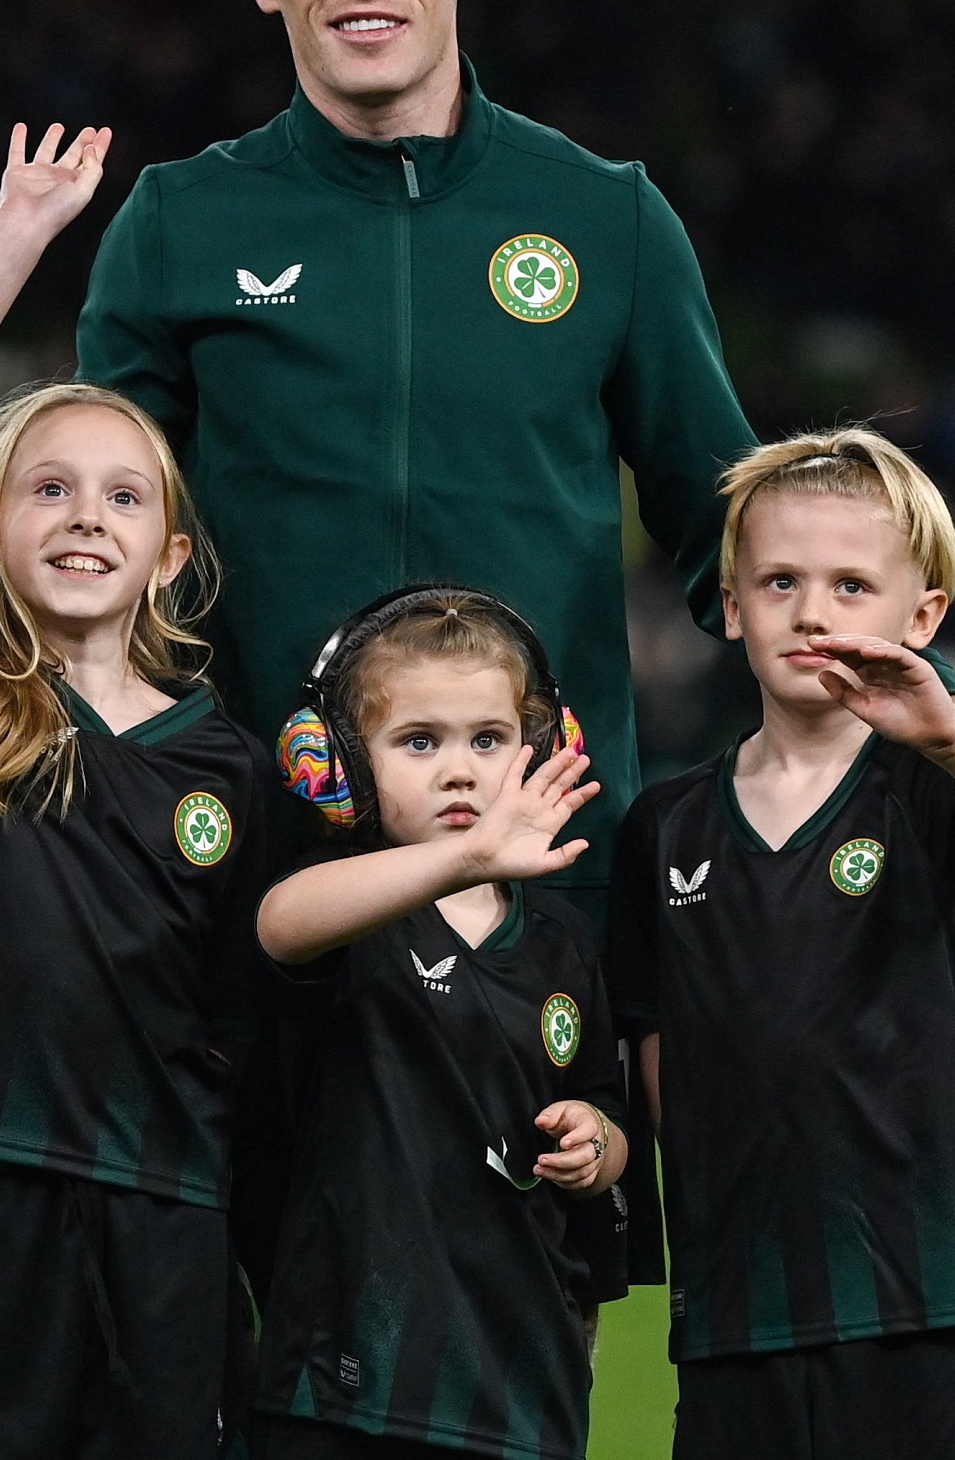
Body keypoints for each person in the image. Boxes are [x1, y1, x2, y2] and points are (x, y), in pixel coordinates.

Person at [0, 0, 955, 936]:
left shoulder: (605, 216)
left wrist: (939, 705)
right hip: (265, 858)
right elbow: (91, 538)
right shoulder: (181, 223)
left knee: (588, 1135)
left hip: (548, 854)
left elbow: (726, 516)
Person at [0, 122, 298, 1460]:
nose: (84, 514)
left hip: (170, 1201)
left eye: (121, 494)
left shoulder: (230, 761)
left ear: (170, 553)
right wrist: (19, 237)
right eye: (46, 488)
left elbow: (255, 1003)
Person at [609, 427, 955, 1460]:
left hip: (907, 1290)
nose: (811, 610)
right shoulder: (665, 827)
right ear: (734, 602)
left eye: (850, 584)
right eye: (780, 579)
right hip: (734, 1301)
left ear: (919, 614)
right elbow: (656, 1045)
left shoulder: (927, 785)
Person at [248, 587, 627, 1460]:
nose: (460, 769)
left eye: (488, 740)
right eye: (419, 741)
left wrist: (594, 1139)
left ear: (537, 752)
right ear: (339, 760)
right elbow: (280, 922)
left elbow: (608, 1116)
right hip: (345, 1381)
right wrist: (462, 855)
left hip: (520, 1372)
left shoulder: (563, 942)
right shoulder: (349, 907)